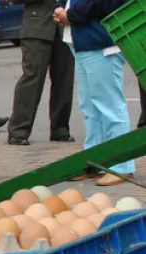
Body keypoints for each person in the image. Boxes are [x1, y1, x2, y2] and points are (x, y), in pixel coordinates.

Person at [55, 0, 134, 186]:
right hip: (83, 40)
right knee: (91, 107)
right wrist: (59, 7)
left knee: (110, 106)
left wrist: (70, 15)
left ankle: (122, 166)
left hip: (99, 41)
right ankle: (95, 162)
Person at [6, 0, 75, 145]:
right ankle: (19, 130)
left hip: (65, 27)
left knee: (65, 80)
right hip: (37, 26)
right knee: (32, 79)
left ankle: (60, 129)